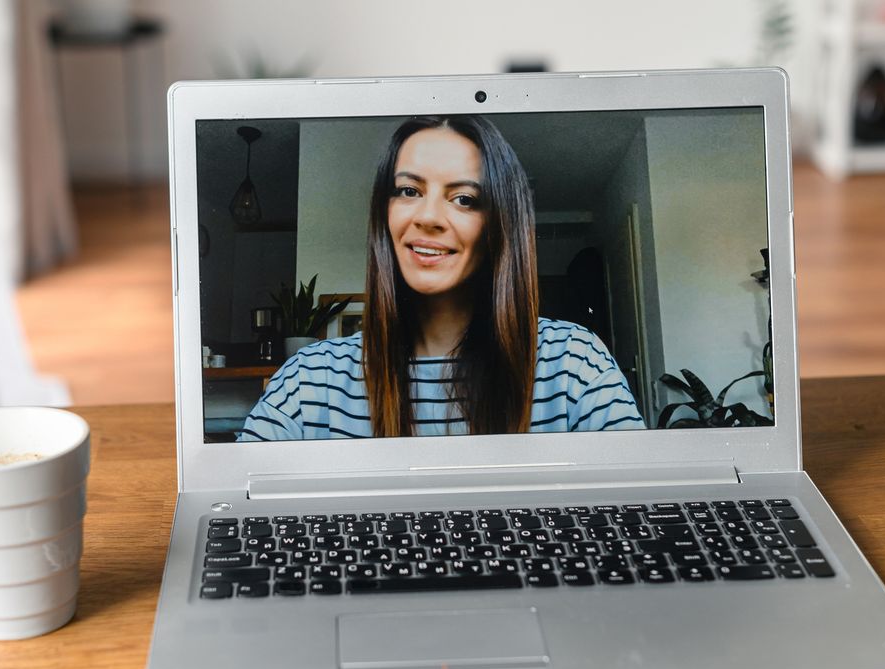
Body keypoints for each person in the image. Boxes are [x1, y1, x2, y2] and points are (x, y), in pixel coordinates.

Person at [238, 115, 643, 441]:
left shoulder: (574, 361)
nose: (428, 217)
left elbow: (640, 511)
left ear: (498, 226)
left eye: (464, 199)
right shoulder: (309, 379)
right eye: (408, 191)